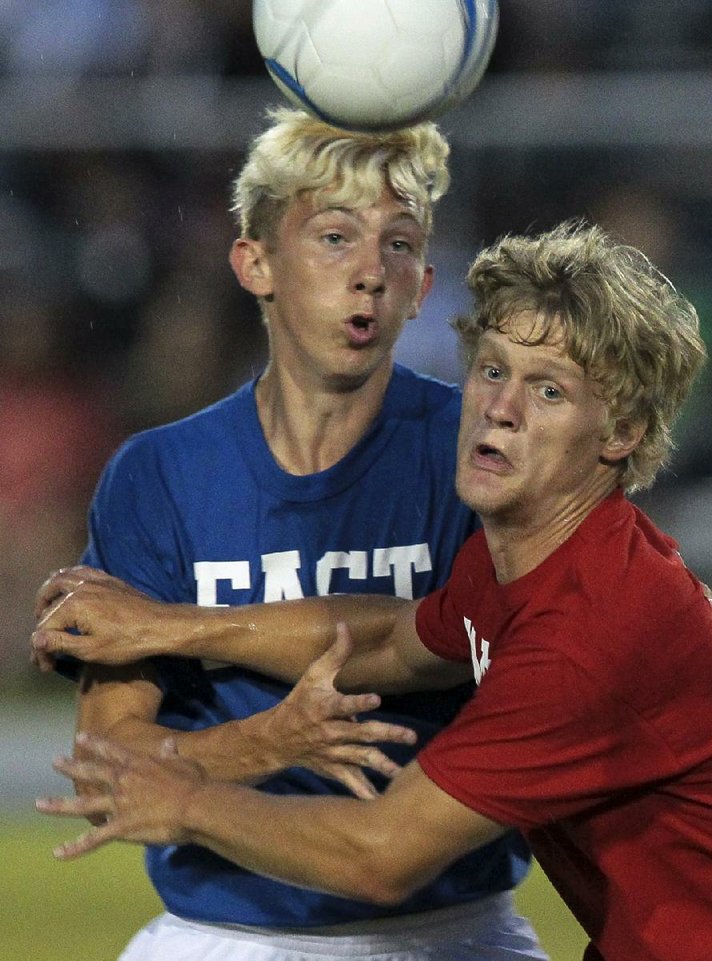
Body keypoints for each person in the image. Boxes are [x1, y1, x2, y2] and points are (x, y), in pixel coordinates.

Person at [36, 221, 712, 961]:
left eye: (549, 392)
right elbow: (392, 641)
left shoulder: (583, 636)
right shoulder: (540, 558)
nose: (500, 407)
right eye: (494, 369)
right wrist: (168, 627)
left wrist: (184, 798)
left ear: (621, 432)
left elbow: (380, 854)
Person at [34, 107, 549, 961]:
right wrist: (266, 741)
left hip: (455, 932)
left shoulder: (483, 451)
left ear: (424, 284)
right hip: (220, 936)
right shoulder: (158, 473)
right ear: (256, 262)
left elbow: (459, 638)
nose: (371, 275)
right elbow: (108, 765)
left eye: (399, 244)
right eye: (336, 237)